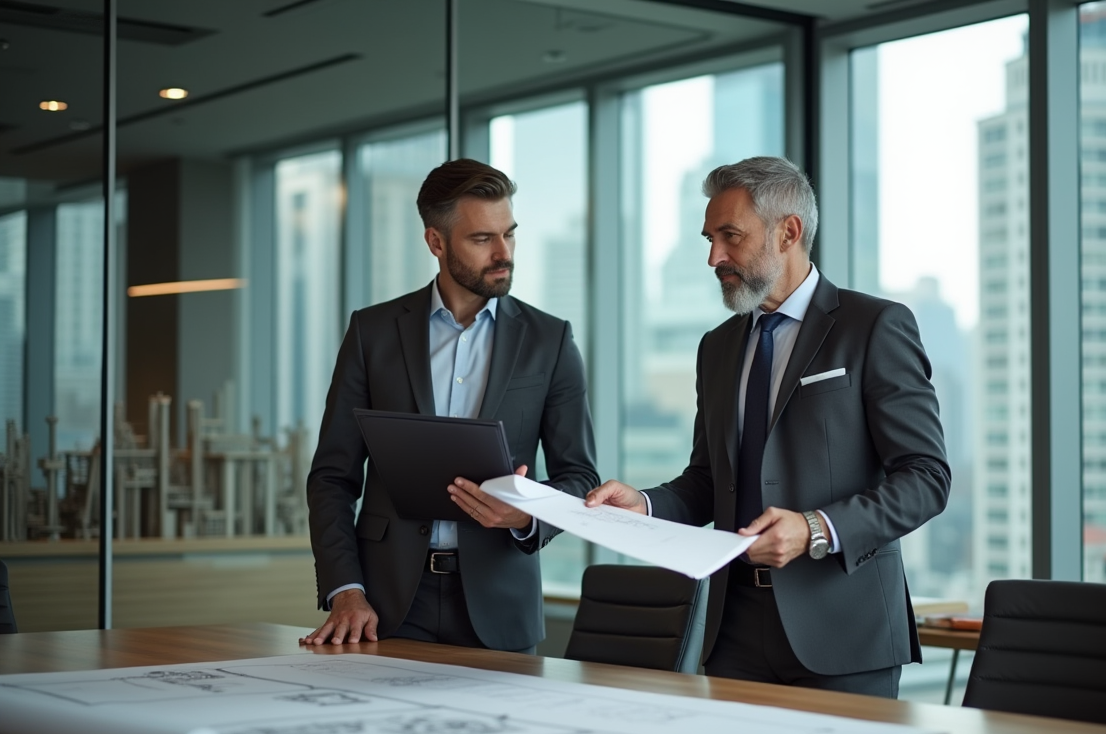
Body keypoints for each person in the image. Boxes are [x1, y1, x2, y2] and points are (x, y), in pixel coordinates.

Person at [586, 156, 950, 697]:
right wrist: (643, 505)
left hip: (842, 633)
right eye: (709, 238)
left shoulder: (873, 326)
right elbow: (710, 481)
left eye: (730, 236)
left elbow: (926, 479)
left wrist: (816, 529)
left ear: (789, 231)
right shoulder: (718, 347)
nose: (714, 256)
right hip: (733, 631)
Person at [304, 158, 598, 653]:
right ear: (436, 243)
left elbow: (580, 477)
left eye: (509, 234)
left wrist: (526, 517)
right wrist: (345, 590)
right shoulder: (372, 334)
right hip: (385, 606)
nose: (503, 253)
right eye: (482, 239)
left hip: (501, 604)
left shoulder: (551, 340)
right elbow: (332, 477)